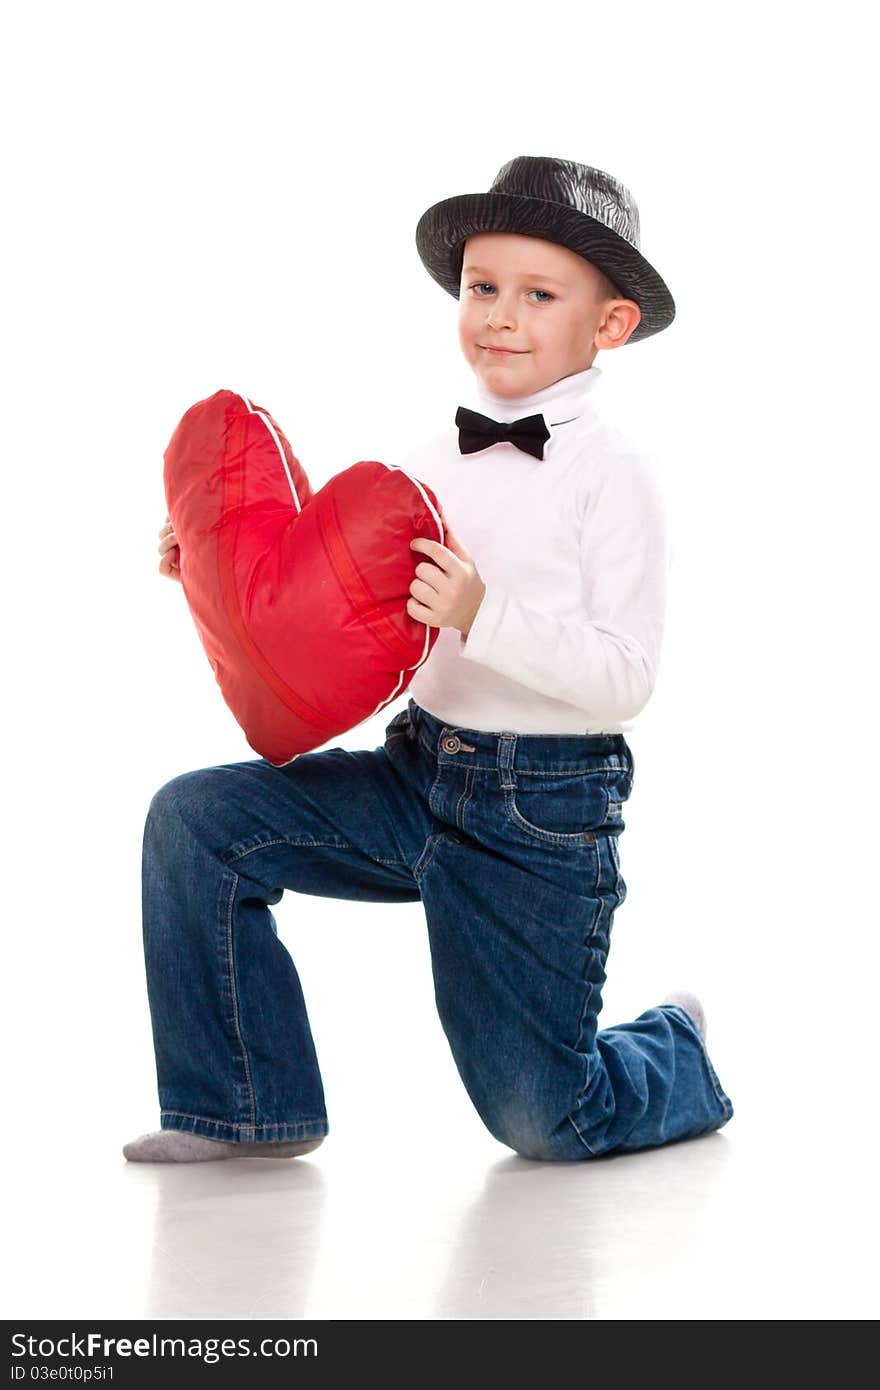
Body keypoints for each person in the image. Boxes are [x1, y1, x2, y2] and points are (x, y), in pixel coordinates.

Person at [125, 155, 733, 1163]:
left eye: (538, 295)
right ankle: (243, 1105)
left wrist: (481, 614)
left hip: (540, 811)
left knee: (545, 1120)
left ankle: (672, 1048)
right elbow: (328, 593)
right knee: (195, 819)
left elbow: (627, 676)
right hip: (415, 774)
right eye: (482, 288)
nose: (499, 315)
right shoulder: (424, 455)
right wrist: (209, 566)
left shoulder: (613, 473)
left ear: (609, 325)